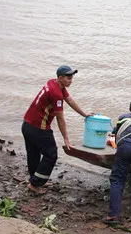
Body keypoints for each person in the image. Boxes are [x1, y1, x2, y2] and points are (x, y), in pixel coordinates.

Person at [22, 65, 92, 195]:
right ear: (60, 78)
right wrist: (66, 138)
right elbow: (60, 118)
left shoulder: (53, 83)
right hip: (39, 128)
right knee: (51, 154)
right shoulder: (56, 94)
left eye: (72, 77)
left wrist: (84, 114)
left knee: (34, 153)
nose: (71, 80)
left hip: (27, 124)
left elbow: (69, 100)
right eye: (68, 78)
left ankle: (35, 180)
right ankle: (35, 184)